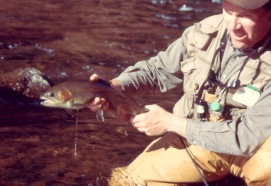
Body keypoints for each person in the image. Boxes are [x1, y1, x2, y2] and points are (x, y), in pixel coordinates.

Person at [88, 0, 271, 185]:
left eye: (245, 17)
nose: (233, 26)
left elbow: (245, 136)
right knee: (128, 182)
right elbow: (157, 71)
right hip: (197, 138)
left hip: (254, 148)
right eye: (228, 12)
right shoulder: (205, 31)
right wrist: (113, 88)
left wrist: (169, 122)